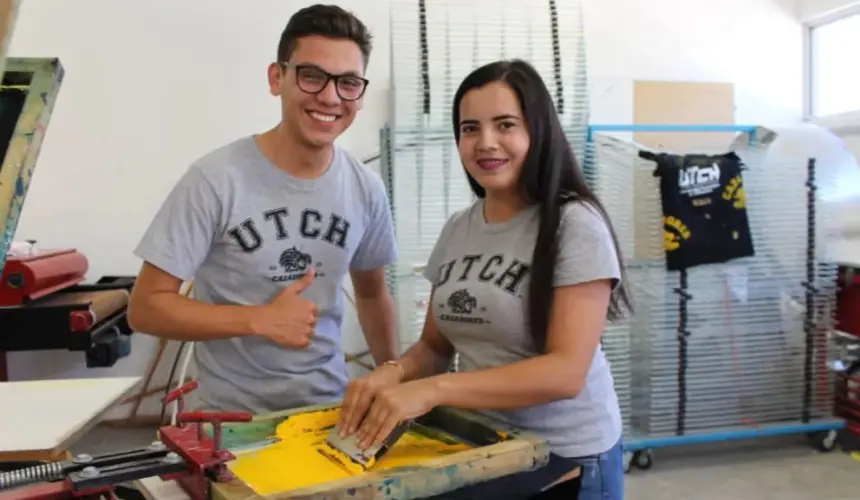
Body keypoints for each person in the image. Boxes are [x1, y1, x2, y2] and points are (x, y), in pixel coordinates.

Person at [337, 59, 632, 500]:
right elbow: (436, 348)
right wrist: (393, 373)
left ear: (538, 130)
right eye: (470, 128)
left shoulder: (575, 224)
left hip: (569, 458)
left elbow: (566, 372)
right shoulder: (459, 227)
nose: (486, 143)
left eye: (505, 124)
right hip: (487, 446)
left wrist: (432, 392)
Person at [127, 5, 400, 414]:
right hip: (230, 420)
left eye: (347, 83)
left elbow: (372, 292)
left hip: (327, 412)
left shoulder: (366, 188)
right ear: (278, 78)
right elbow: (146, 307)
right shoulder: (215, 180)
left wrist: (393, 374)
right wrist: (257, 319)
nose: (329, 96)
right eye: (311, 76)